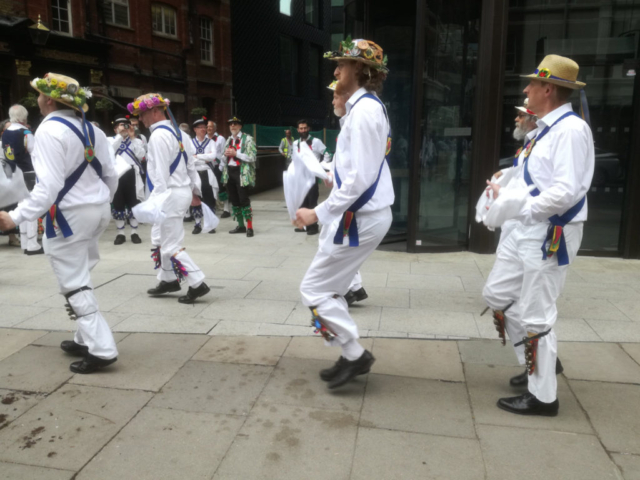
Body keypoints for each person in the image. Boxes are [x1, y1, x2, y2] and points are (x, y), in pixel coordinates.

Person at [482, 55, 594, 416]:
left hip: (549, 231)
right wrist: (506, 183)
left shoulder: (571, 131)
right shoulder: (545, 129)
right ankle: (539, 362)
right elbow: (534, 176)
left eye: (531, 84)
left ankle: (543, 397)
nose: (526, 90)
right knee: (497, 294)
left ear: (548, 89)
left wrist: (519, 207)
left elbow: (566, 191)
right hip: (525, 227)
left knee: (536, 313)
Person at [0, 73, 120, 373]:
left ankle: (102, 348)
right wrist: (101, 201)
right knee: (82, 271)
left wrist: (14, 217)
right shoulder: (92, 128)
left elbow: (47, 188)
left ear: (50, 100)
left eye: (39, 95)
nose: (37, 100)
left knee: (73, 281)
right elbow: (111, 175)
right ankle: (83, 337)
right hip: (98, 210)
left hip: (70, 216)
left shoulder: (49, 130)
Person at [296, 38, 392, 389]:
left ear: (362, 71)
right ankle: (350, 354)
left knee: (314, 289)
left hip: (361, 218)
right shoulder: (361, 110)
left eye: (342, 64)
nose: (335, 71)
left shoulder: (365, 112)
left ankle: (354, 354)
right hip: (360, 216)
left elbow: (358, 181)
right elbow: (353, 174)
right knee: (327, 289)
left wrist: (316, 213)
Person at [127, 93, 210, 304]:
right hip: (178, 192)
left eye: (143, 114)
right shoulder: (181, 133)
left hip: (169, 194)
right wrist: (194, 191)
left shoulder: (158, 136)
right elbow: (190, 166)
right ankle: (168, 279)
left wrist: (154, 202)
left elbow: (160, 175)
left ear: (155, 111)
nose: (140, 119)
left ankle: (197, 282)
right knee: (158, 239)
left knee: (171, 243)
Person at [327, 80, 368, 307]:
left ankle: (348, 289)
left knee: (337, 245)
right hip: (344, 195)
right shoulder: (346, 123)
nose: (333, 101)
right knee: (342, 243)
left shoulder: (358, 118)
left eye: (335, 97)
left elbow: (358, 166)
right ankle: (354, 287)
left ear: (345, 97)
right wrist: (331, 172)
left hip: (349, 200)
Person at [2, 105, 41, 255]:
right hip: (28, 171)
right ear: (23, 117)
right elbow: (35, 152)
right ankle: (31, 244)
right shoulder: (25, 132)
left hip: (12, 172)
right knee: (30, 206)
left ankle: (25, 241)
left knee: (21, 206)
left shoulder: (5, 133)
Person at [108, 114, 145, 245]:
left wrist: (132, 137)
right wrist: (120, 136)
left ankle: (134, 232)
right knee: (118, 204)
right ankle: (120, 233)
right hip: (117, 176)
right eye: (120, 125)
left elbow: (141, 156)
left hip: (132, 176)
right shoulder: (110, 140)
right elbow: (109, 153)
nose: (124, 128)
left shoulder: (137, 141)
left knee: (134, 203)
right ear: (115, 129)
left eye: (125, 125)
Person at [292, 120, 331, 235]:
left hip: (311, 176)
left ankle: (313, 226)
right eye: (301, 128)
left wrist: (320, 167)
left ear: (308, 128)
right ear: (298, 130)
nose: (303, 130)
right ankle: (304, 225)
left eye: (305, 128)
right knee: (302, 200)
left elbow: (328, 153)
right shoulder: (295, 143)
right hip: (300, 176)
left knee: (312, 200)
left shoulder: (316, 142)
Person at [222, 116, 257, 237]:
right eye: (231, 124)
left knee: (244, 200)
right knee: (234, 200)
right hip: (230, 172)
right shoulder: (228, 140)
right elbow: (223, 158)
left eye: (235, 124)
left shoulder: (247, 139)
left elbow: (252, 157)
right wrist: (225, 155)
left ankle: (250, 228)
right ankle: (241, 226)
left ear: (240, 126)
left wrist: (236, 154)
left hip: (242, 173)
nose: (232, 126)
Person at [190, 116, 217, 234]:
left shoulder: (211, 142)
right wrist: (204, 158)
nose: (203, 129)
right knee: (196, 198)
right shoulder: (190, 143)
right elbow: (189, 159)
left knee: (209, 198)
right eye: (200, 127)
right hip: (195, 173)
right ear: (195, 129)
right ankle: (197, 224)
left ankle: (210, 224)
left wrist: (197, 156)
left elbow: (213, 156)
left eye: (204, 127)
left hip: (207, 172)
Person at [207, 120, 230, 218]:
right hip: (208, 167)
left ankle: (226, 209)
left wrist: (221, 167)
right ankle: (212, 209)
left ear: (215, 128)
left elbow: (224, 153)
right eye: (207, 127)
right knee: (209, 188)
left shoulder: (220, 139)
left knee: (222, 188)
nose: (208, 128)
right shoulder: (205, 139)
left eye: (211, 127)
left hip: (218, 167)